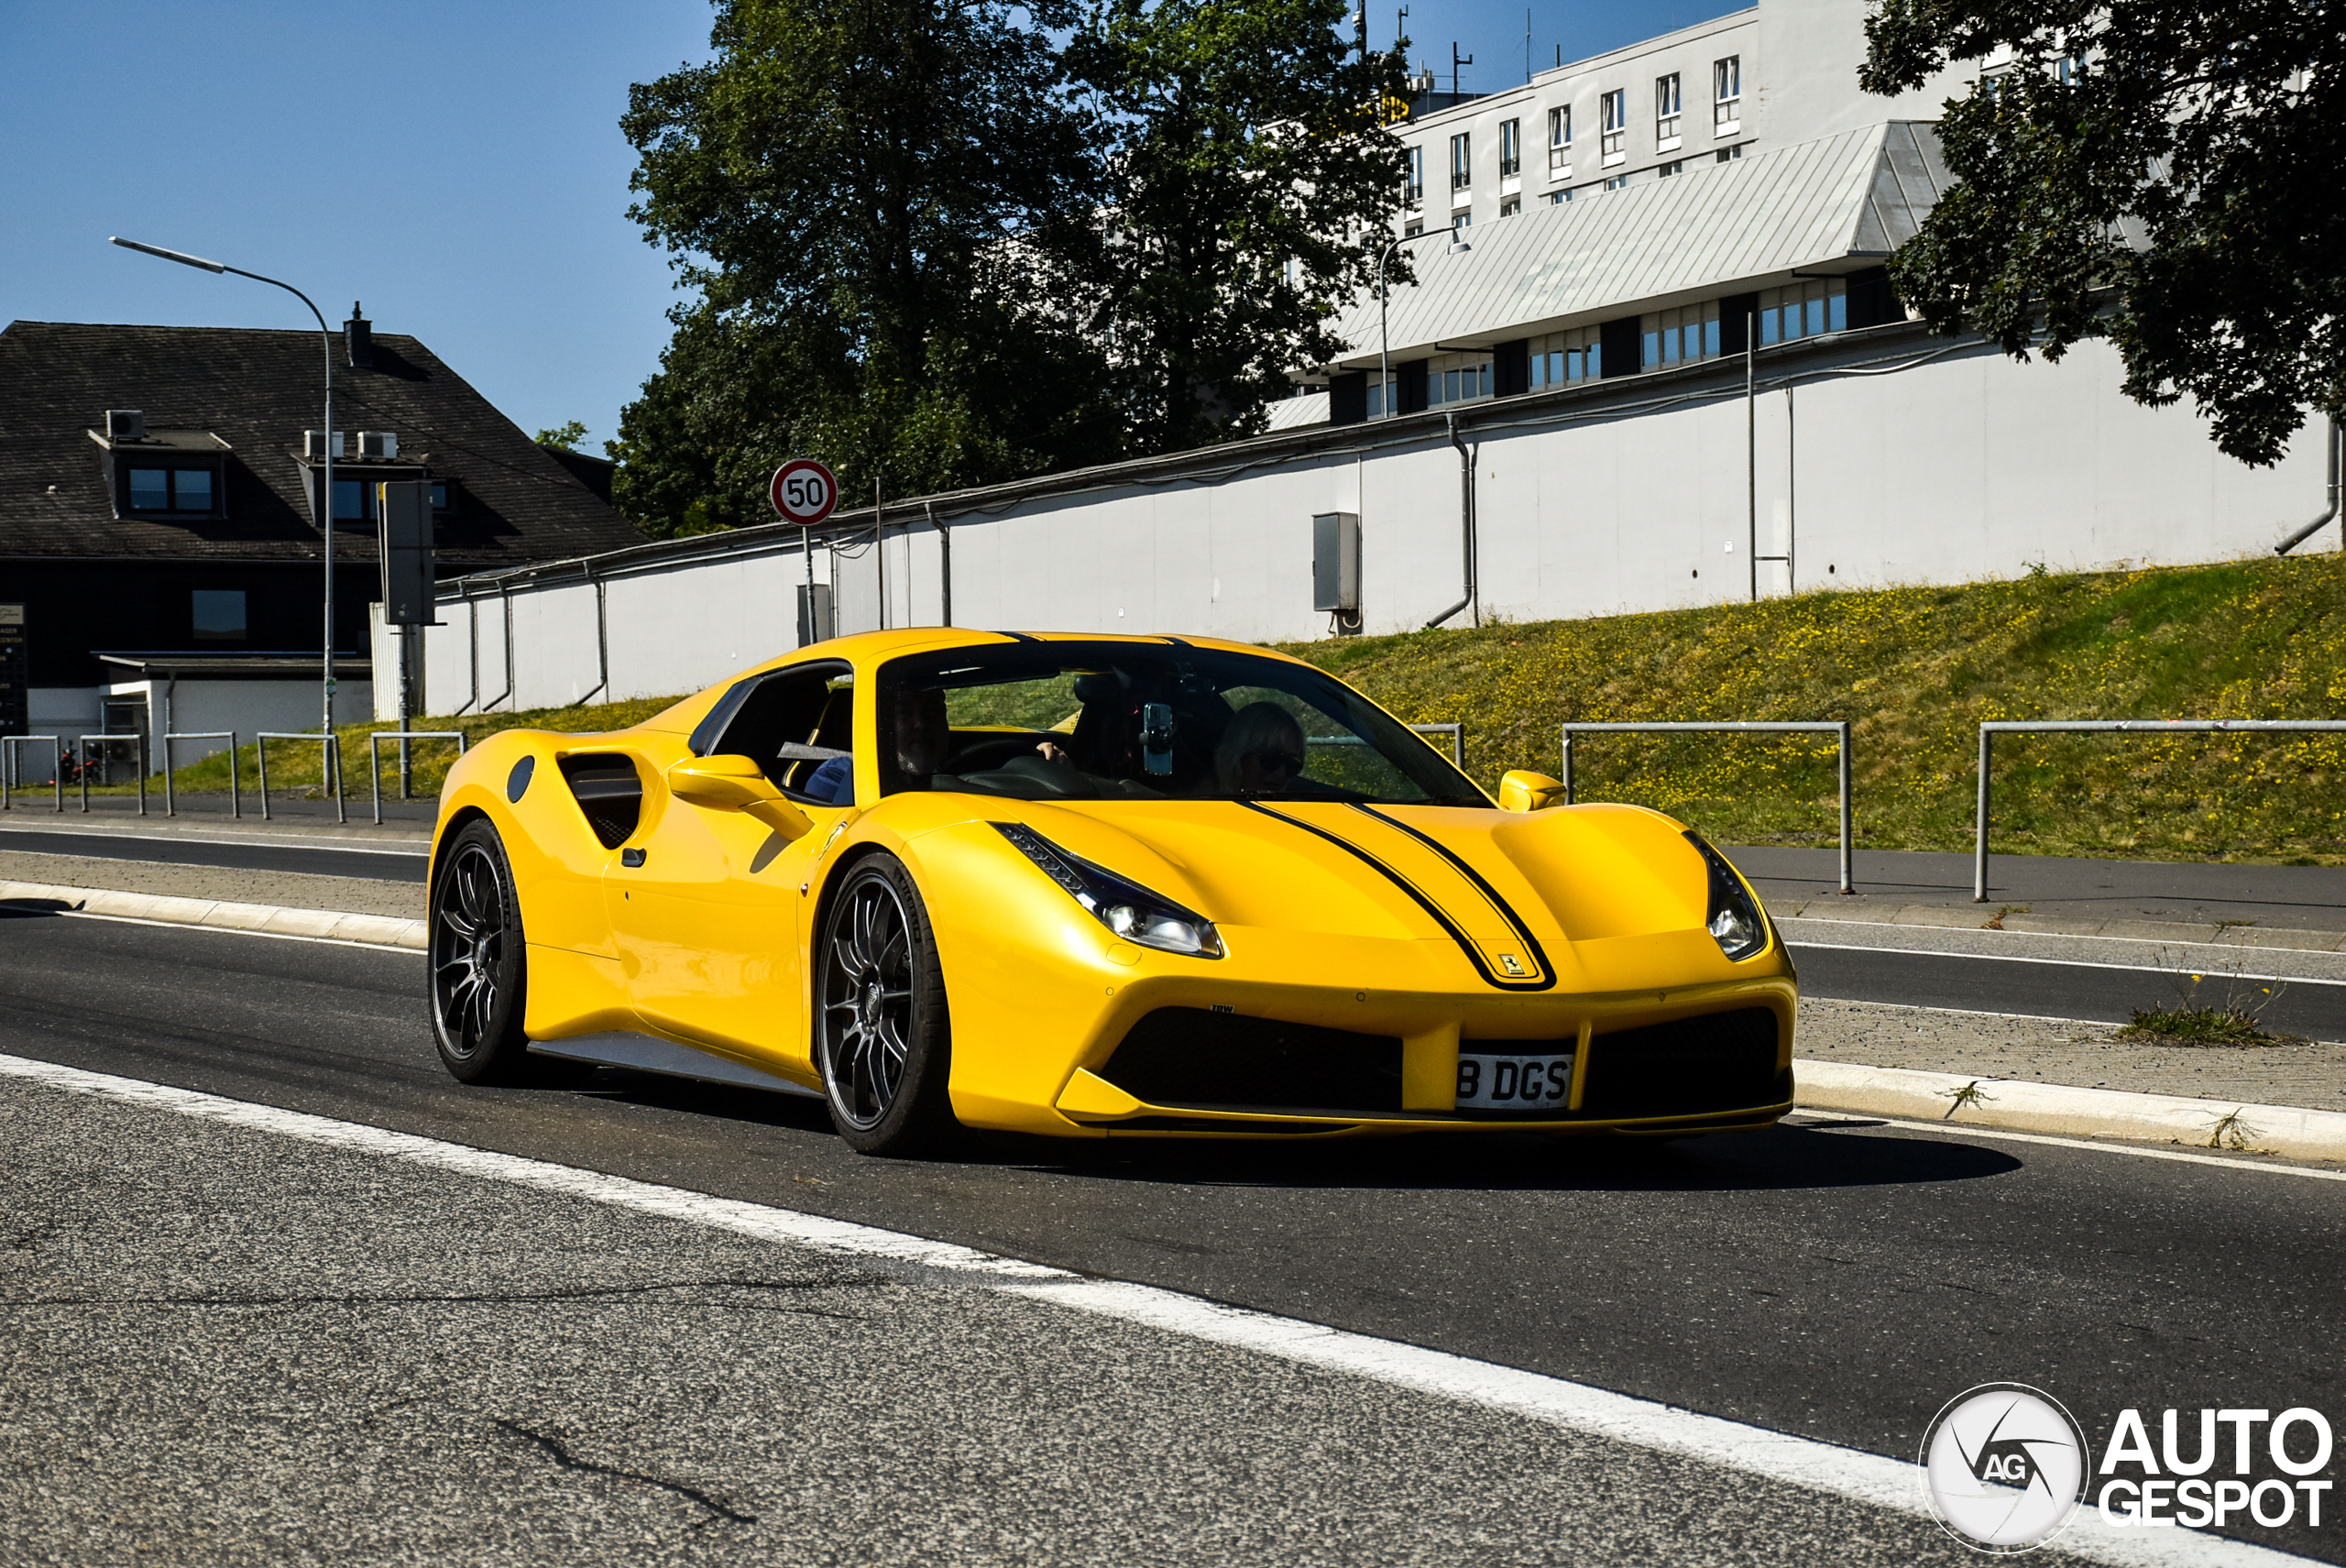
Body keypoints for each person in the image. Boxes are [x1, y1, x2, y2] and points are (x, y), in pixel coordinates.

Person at [799, 685, 951, 804]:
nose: (921, 723)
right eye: (904, 713)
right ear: (881, 722)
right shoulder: (838, 779)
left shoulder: (960, 765)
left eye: (931, 712)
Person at [1210, 701, 1307, 797]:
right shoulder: (1204, 807)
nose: (1281, 773)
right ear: (1237, 755)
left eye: (1293, 764)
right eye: (1271, 758)